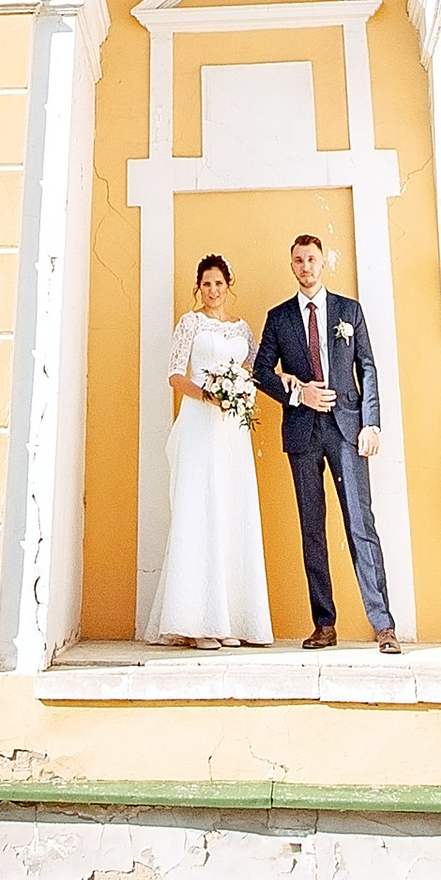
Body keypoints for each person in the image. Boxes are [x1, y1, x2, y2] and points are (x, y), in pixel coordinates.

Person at [253, 231, 401, 654]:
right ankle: (324, 624)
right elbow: (262, 371)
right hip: (302, 432)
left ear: (323, 262)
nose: (306, 267)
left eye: (312, 259)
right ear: (291, 264)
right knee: (312, 530)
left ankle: (383, 626)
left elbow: (367, 367)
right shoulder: (279, 317)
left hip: (347, 431)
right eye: (298, 260)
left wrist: (371, 424)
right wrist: (300, 393)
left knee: (361, 524)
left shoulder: (348, 311)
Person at [148, 253, 274, 646]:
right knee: (200, 508)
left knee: (231, 509)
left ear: (228, 284)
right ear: (198, 288)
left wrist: (244, 389)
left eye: (219, 283)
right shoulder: (190, 323)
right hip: (201, 425)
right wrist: (208, 395)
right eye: (206, 284)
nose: (213, 291)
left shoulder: (242, 331)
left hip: (232, 431)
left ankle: (230, 620)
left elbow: (257, 370)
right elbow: (173, 375)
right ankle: (195, 623)